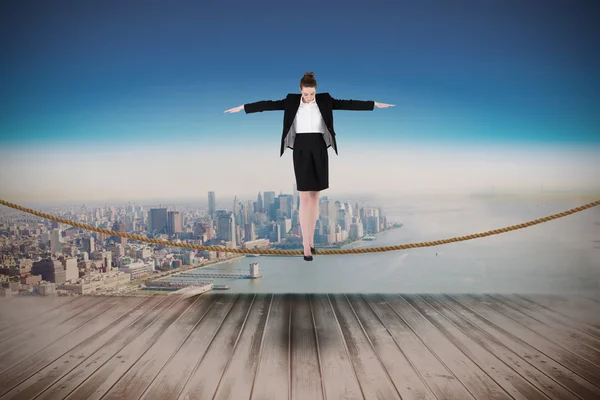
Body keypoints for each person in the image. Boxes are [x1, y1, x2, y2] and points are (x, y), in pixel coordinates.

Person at [225, 72, 394, 261]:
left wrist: (373, 104)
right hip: (301, 149)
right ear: (300, 91)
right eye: (305, 94)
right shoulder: (291, 101)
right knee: (304, 198)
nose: (308, 97)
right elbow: (268, 104)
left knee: (315, 198)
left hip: (320, 148)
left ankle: (311, 239)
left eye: (312, 94)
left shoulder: (325, 100)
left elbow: (349, 104)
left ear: (316, 91)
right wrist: (243, 107)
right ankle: (306, 244)